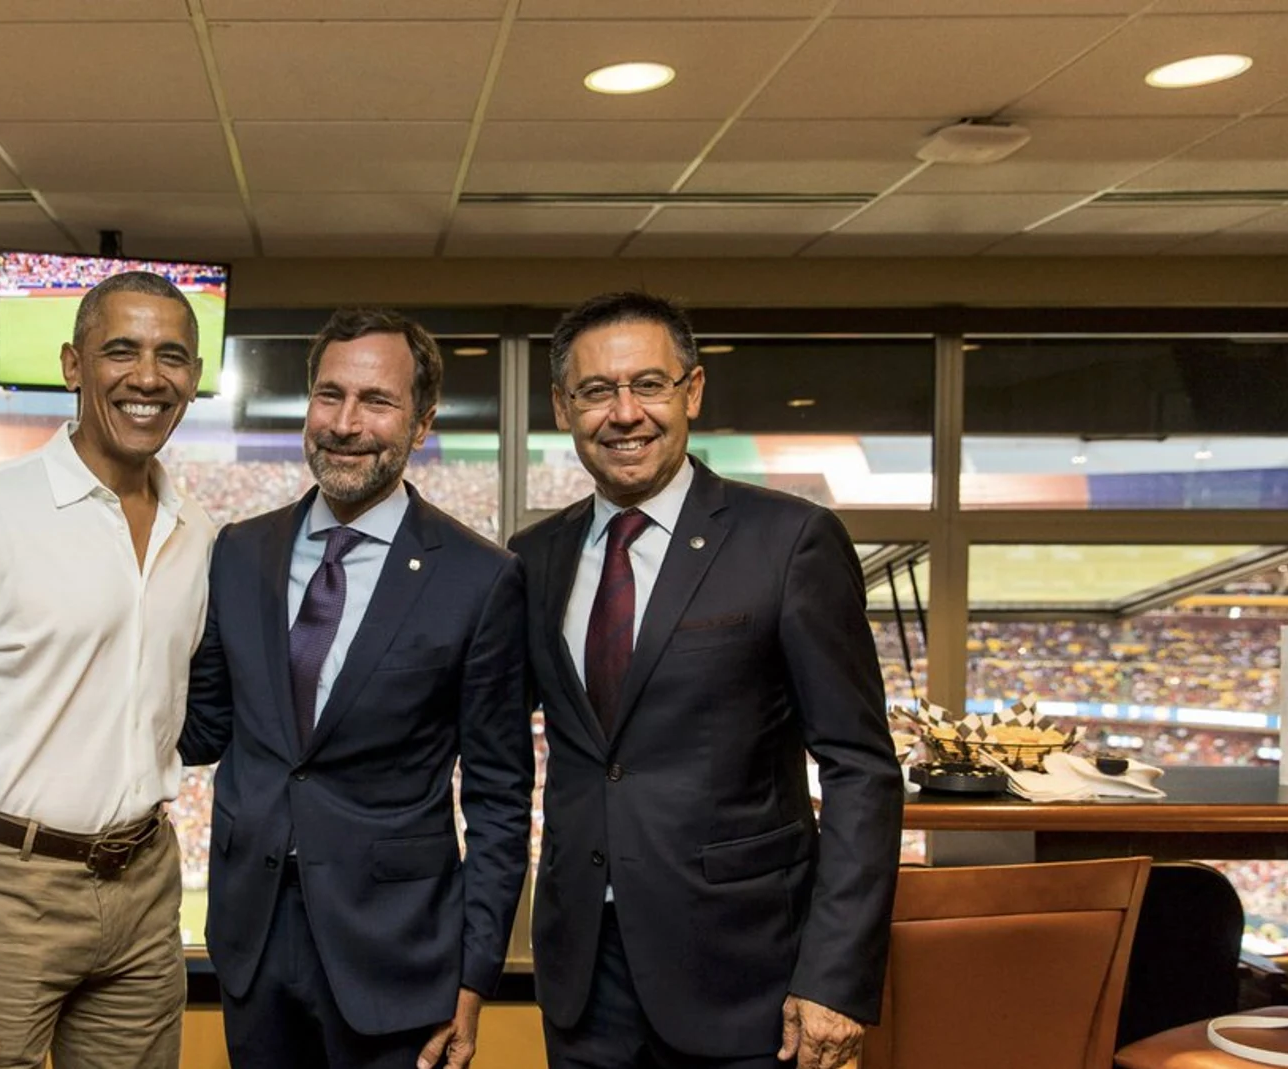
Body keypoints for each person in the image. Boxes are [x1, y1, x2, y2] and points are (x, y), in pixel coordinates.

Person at [511, 291, 904, 1069]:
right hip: (585, 977)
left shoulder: (790, 542)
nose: (625, 413)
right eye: (596, 391)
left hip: (749, 979)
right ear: (563, 406)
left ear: (691, 391)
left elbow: (860, 767)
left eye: (648, 385)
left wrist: (834, 976)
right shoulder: (533, 558)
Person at [0, 271, 213, 1069]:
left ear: (194, 378)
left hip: (144, 885)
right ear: (71, 364)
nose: (147, 376)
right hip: (6, 892)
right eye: (120, 350)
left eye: (171, 355)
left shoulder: (196, 529)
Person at [182, 308, 534, 1069]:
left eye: (376, 401)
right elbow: (198, 727)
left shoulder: (480, 578)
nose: (345, 423)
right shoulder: (239, 553)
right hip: (253, 947)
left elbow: (500, 798)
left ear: (422, 422)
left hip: (400, 960)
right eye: (328, 395)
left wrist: (475, 980)